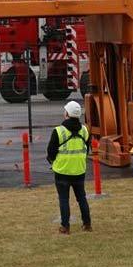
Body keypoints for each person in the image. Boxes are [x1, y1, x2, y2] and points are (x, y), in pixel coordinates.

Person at [46, 100, 91, 234]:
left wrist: (53, 161)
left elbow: (51, 151)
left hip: (62, 171)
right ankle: (87, 224)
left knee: (64, 199)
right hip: (79, 170)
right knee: (82, 198)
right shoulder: (84, 130)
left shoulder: (59, 131)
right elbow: (86, 149)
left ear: (66, 114)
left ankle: (65, 227)